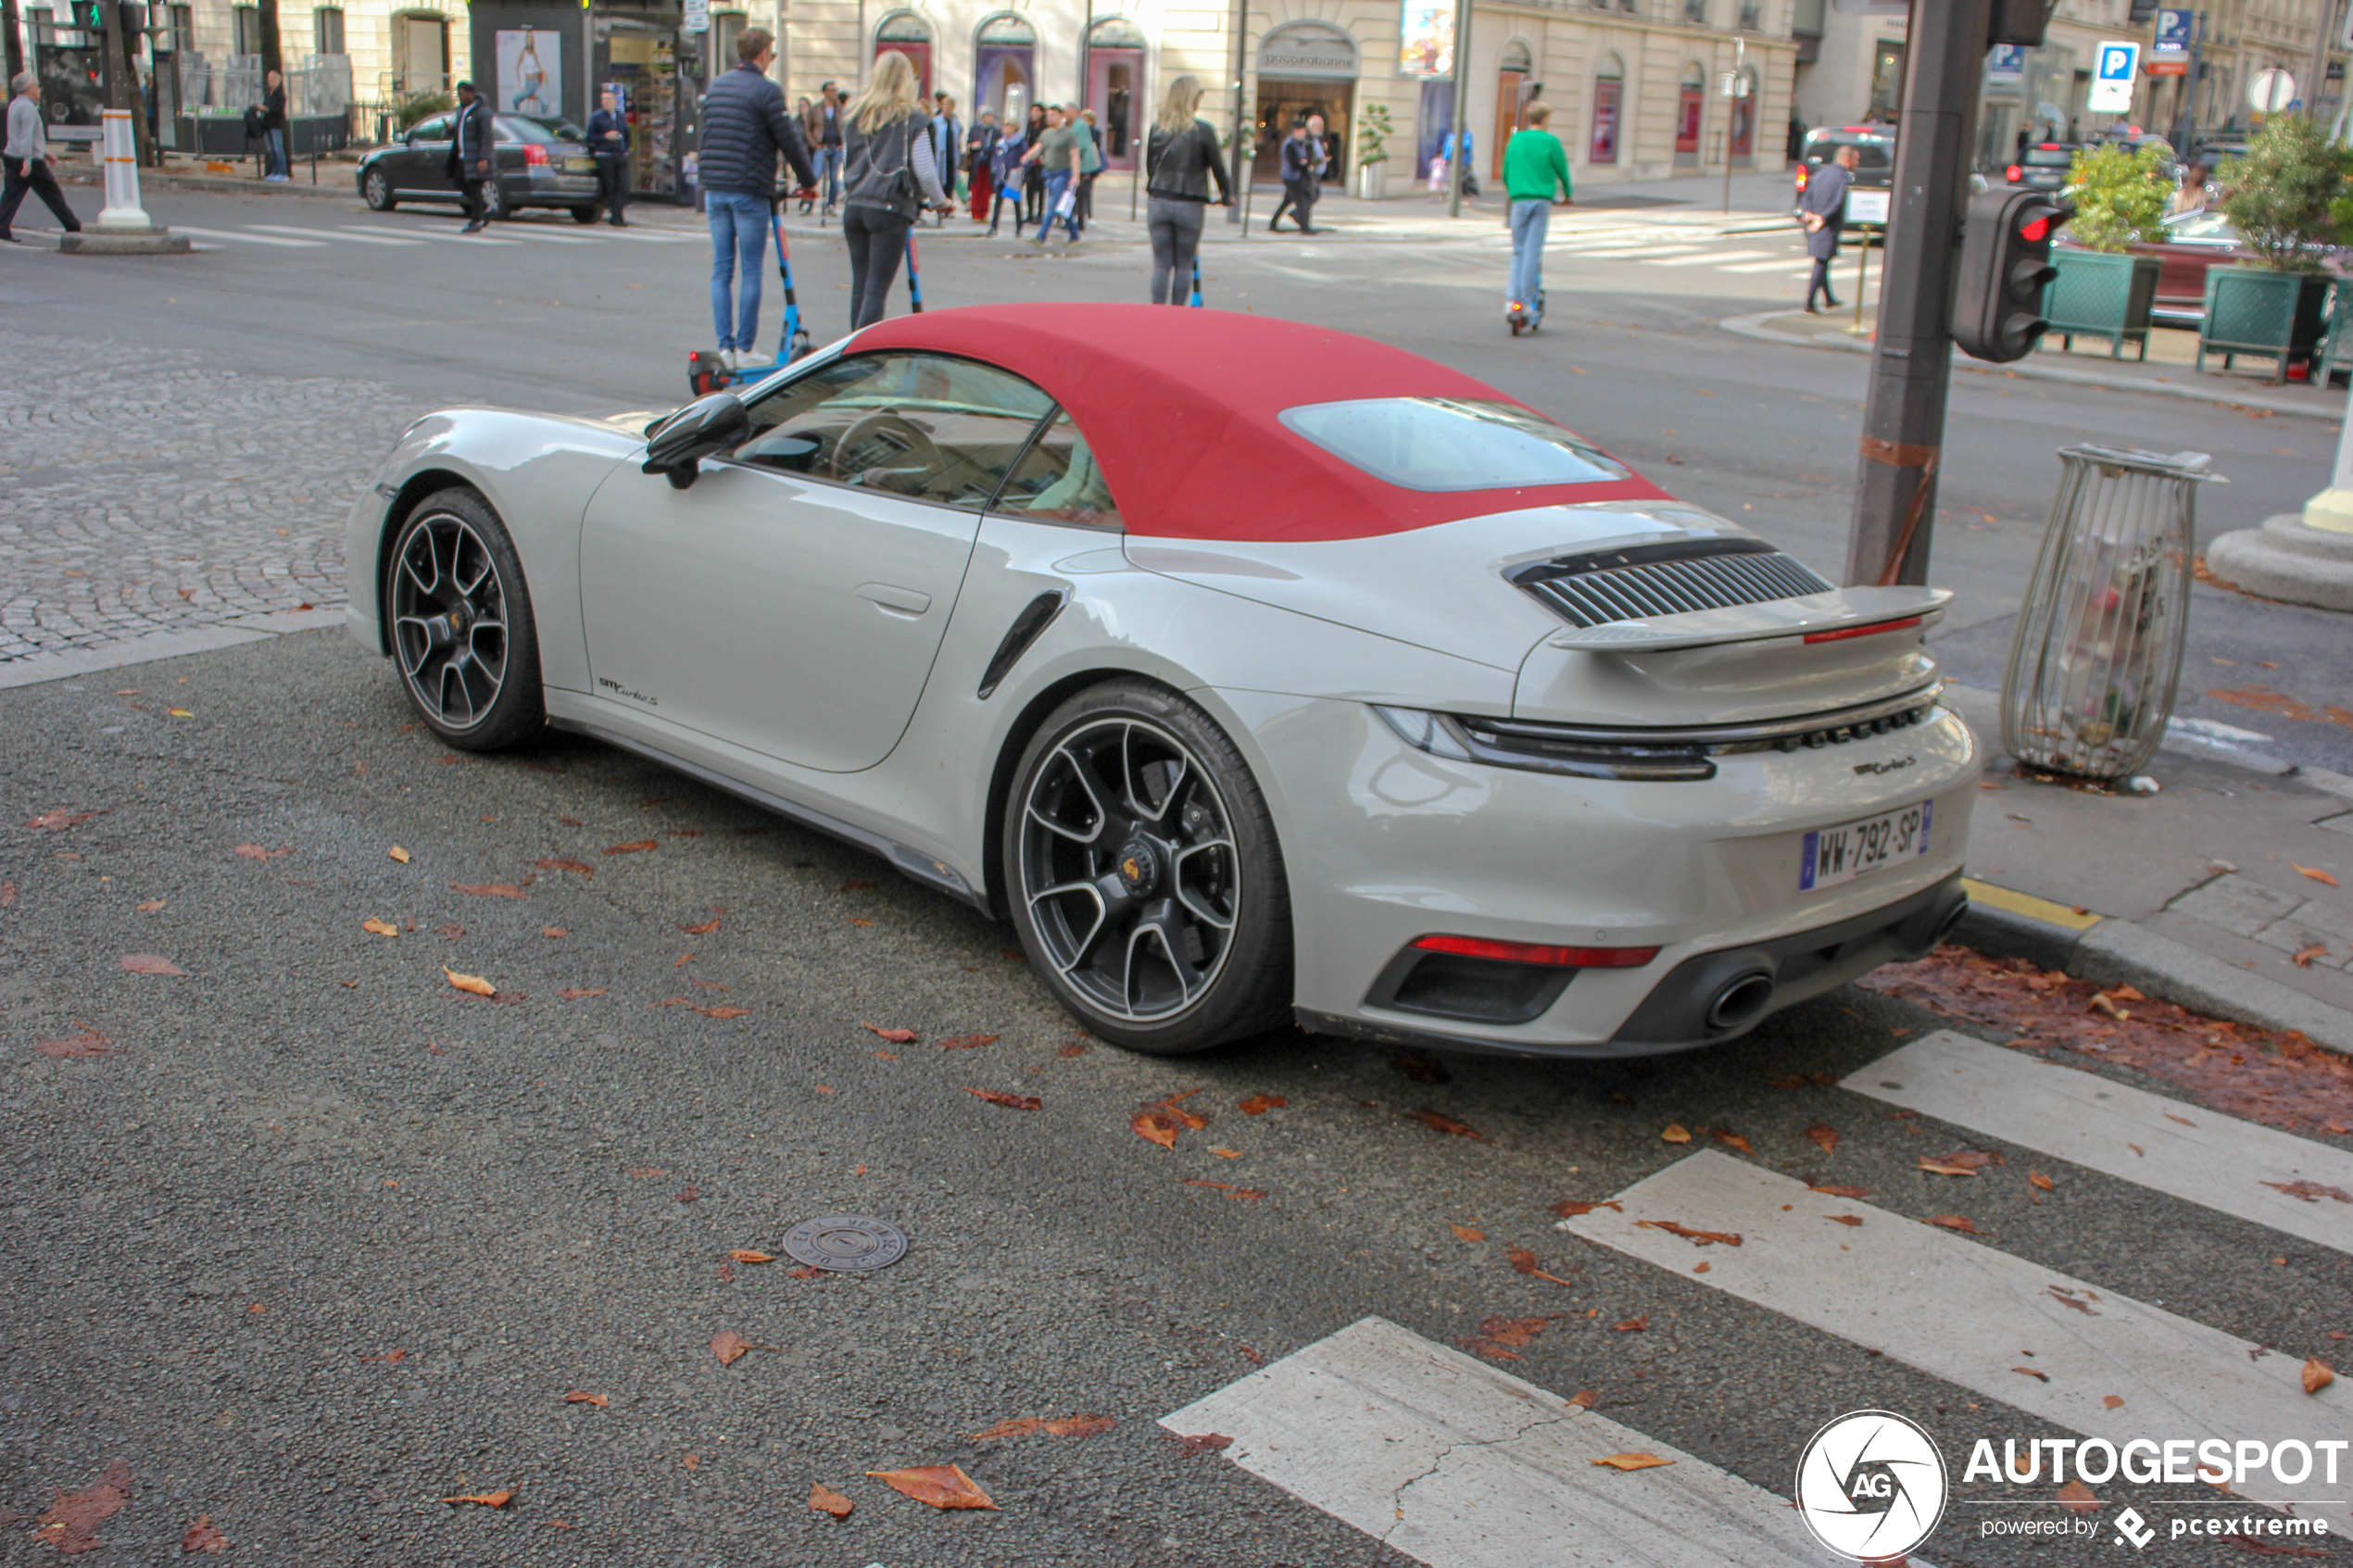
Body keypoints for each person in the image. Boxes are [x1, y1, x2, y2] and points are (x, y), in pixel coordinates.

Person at [699, 27, 818, 369]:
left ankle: (724, 347)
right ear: (763, 54)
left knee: (722, 269)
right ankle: (745, 348)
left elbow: (709, 133)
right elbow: (790, 140)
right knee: (751, 268)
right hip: (749, 188)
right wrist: (809, 180)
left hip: (716, 187)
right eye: (772, 54)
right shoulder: (767, 92)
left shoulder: (717, 86)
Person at [840, 49, 950, 330]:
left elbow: (845, 162)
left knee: (860, 284)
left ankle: (851, 345)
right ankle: (863, 350)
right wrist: (940, 201)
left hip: (856, 205)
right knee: (876, 288)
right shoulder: (913, 120)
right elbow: (925, 170)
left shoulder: (855, 116)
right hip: (890, 206)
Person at [1143, 73, 1229, 305]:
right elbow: (1218, 167)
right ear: (1194, 98)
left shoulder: (1157, 129)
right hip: (1190, 204)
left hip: (1159, 200)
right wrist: (1227, 195)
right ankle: (1177, 312)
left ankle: (1157, 311)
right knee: (1184, 264)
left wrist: (1157, 187)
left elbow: (1150, 166)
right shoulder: (1203, 130)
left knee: (1161, 264)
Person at [1502, 99, 1570, 327]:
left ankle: (1513, 300)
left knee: (1518, 252)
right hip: (1541, 201)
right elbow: (1562, 170)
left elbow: (1506, 170)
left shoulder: (1516, 140)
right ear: (1545, 119)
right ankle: (1529, 301)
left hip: (1519, 200)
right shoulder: (1551, 141)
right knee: (1532, 251)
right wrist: (1568, 194)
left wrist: (1513, 190)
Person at [0, 71, 82, 243]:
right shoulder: (28, 108)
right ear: (28, 88)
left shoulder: (15, 104)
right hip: (28, 159)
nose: (39, 88)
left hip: (11, 155)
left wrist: (44, 152)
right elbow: (26, 136)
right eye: (36, 85)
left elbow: (17, 135)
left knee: (11, 194)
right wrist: (28, 160)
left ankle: (2, 227)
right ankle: (72, 225)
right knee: (51, 192)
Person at [1798, 142, 1856, 313]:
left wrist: (1808, 212)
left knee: (1823, 260)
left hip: (1813, 223)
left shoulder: (1821, 173)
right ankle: (1810, 302)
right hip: (1826, 225)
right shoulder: (1842, 178)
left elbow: (1806, 195)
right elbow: (1837, 203)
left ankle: (1829, 298)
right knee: (1821, 262)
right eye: (1856, 160)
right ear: (1847, 160)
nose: (1857, 163)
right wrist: (1821, 218)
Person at [1023, 103, 1083, 245]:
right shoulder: (1046, 134)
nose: (1049, 118)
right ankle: (1074, 234)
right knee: (1059, 206)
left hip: (1062, 174)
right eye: (1048, 115)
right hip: (1048, 174)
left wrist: (1076, 175)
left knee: (1051, 205)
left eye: (1053, 115)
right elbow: (1039, 148)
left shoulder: (1068, 134)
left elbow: (1075, 155)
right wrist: (1027, 156)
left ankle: (1041, 236)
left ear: (1061, 116)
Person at [447, 81, 496, 232]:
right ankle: (485, 208)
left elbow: (486, 136)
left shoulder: (482, 111)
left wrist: (483, 158)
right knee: (459, 181)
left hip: (475, 157)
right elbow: (460, 131)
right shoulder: (462, 111)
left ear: (471, 93)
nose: (460, 97)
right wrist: (450, 130)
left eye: (462, 94)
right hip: (462, 156)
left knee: (474, 187)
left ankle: (477, 220)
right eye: (459, 94)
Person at [1268, 119, 1325, 232]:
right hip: (1291, 178)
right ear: (1296, 131)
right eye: (1302, 131)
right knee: (1301, 202)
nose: (1304, 133)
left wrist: (1305, 162)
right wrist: (1305, 165)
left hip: (1295, 177)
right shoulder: (1290, 144)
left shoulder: (1299, 143)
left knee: (1286, 202)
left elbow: (1303, 159)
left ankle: (1273, 224)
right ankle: (1305, 228)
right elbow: (1294, 163)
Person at [586, 87, 630, 226]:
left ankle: (618, 213)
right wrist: (605, 137)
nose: (605, 102)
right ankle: (616, 217)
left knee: (623, 185)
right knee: (610, 186)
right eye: (603, 99)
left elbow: (627, 134)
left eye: (608, 99)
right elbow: (590, 137)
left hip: (619, 154)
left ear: (614, 101)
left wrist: (626, 149)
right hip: (604, 155)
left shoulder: (620, 116)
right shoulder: (596, 117)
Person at [988, 113, 1027, 236]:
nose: (1005, 127)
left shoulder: (1020, 142)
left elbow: (1027, 157)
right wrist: (994, 166)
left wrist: (1021, 169)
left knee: (1016, 202)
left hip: (1013, 175)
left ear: (1014, 127)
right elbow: (995, 157)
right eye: (1004, 125)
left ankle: (1019, 227)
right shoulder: (1000, 143)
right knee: (998, 202)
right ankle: (993, 227)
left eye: (1008, 125)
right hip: (1001, 175)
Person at [928, 93, 962, 224]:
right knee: (940, 181)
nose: (947, 108)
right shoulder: (936, 122)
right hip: (939, 156)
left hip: (951, 156)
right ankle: (939, 209)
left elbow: (958, 138)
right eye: (945, 106)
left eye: (950, 106)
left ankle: (948, 208)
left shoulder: (955, 123)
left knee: (950, 182)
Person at [814, 82, 845, 214]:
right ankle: (808, 202)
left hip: (836, 147)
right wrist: (814, 142)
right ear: (825, 92)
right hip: (821, 147)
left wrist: (843, 143)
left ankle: (831, 204)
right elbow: (808, 127)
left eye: (836, 90)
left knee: (834, 178)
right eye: (832, 90)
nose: (835, 93)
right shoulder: (816, 109)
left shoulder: (840, 109)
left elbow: (845, 125)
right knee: (816, 174)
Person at [965, 108, 1000, 224]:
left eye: (991, 116)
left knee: (987, 189)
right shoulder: (975, 130)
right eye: (987, 116)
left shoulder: (996, 132)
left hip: (990, 163)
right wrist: (972, 146)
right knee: (976, 188)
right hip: (977, 162)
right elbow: (968, 145)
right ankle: (975, 212)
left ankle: (984, 213)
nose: (990, 118)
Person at [1075, 106, 1103, 226]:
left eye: (1087, 119)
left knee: (1087, 191)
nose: (1084, 121)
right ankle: (1078, 214)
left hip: (1090, 164)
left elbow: (1095, 146)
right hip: (1081, 164)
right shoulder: (1079, 130)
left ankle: (1088, 215)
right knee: (1079, 191)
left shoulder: (1093, 132)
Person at [1022, 103, 1050, 223]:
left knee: (1041, 187)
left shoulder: (1045, 128)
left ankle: (1040, 213)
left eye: (1037, 111)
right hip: (1031, 161)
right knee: (1029, 187)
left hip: (1041, 161)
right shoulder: (1029, 126)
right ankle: (1030, 213)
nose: (1034, 113)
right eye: (1032, 111)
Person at [260, 68, 289, 181]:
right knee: (272, 150)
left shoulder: (280, 94)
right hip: (268, 124)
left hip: (276, 125)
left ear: (278, 79)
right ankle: (275, 171)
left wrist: (266, 109)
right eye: (269, 78)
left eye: (272, 78)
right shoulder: (269, 94)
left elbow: (278, 110)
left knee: (278, 148)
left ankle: (283, 172)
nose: (270, 80)